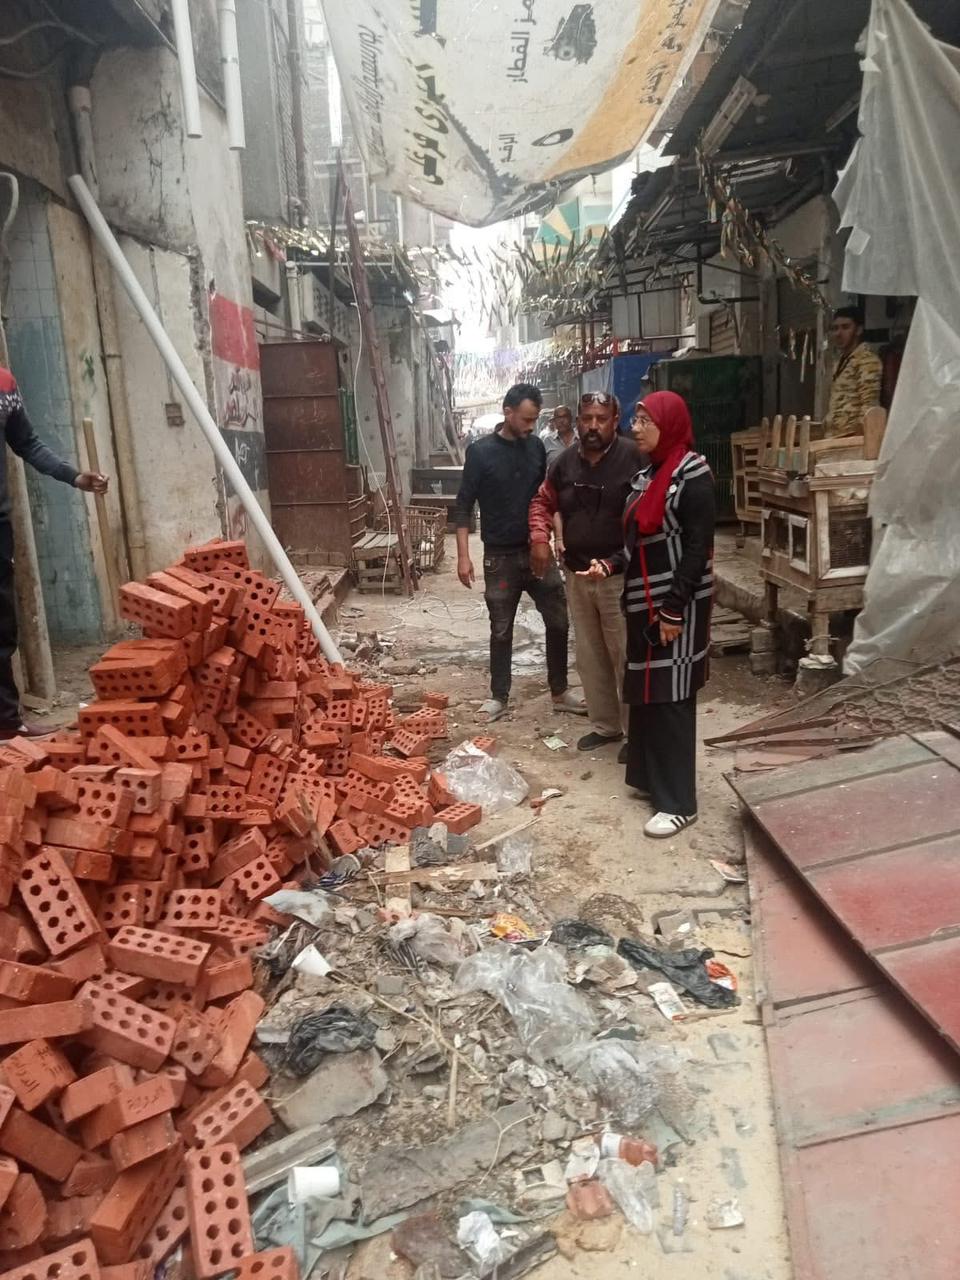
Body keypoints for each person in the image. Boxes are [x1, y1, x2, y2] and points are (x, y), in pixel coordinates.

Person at [579, 390, 714, 838]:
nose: (635, 428)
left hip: (675, 605)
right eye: (635, 419)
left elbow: (697, 548)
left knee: (671, 698)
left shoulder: (692, 474)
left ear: (668, 425)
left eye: (644, 420)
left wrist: (674, 609)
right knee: (646, 693)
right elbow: (635, 543)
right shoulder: (649, 475)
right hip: (642, 603)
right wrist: (610, 564)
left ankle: (679, 803)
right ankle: (651, 779)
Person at [454, 383, 585, 723]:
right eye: (526, 419)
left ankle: (560, 691)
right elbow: (464, 505)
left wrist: (556, 538)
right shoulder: (480, 453)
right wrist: (464, 556)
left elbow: (547, 498)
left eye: (534, 420)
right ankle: (499, 696)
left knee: (558, 620)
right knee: (501, 629)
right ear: (507, 412)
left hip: (537, 552)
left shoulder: (536, 448)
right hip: (499, 558)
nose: (530, 426)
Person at [529, 392, 641, 756]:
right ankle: (606, 726)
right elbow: (542, 501)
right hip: (577, 573)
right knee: (590, 656)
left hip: (619, 576)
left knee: (625, 654)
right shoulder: (564, 463)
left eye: (601, 419)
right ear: (578, 421)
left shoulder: (634, 457)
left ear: (615, 420)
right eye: (587, 418)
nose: (593, 426)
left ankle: (637, 735)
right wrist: (540, 537)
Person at [0, 366, 109, 739]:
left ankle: (6, 723)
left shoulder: (4, 385)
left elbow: (27, 443)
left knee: (2, 628)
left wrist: (73, 476)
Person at [826, 305, 881, 438]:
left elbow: (869, 406)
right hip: (835, 436)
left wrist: (859, 438)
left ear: (858, 330)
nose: (839, 333)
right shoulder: (842, 362)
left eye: (845, 327)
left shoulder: (866, 360)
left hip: (852, 438)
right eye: (835, 328)